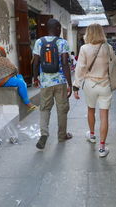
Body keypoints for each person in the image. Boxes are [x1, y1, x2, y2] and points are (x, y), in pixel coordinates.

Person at [73, 23, 116, 158]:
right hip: (105, 84)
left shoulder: (84, 48)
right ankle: (102, 148)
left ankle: (92, 135)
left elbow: (80, 68)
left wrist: (76, 86)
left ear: (88, 33)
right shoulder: (108, 47)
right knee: (104, 116)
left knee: (90, 109)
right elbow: (115, 65)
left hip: (90, 85)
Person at [33, 19, 73, 149]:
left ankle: (44, 134)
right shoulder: (62, 42)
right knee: (62, 109)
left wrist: (35, 78)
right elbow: (65, 63)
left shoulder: (39, 42)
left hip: (45, 82)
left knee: (45, 108)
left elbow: (35, 62)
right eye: (60, 27)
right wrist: (70, 84)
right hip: (60, 82)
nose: (60, 29)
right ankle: (62, 135)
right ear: (56, 28)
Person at [0, 46, 37, 111]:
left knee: (19, 77)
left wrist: (11, 74)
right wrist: (12, 74)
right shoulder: (4, 59)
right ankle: (28, 103)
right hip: (3, 81)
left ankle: (24, 93)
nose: (5, 52)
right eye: (3, 51)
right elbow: (14, 69)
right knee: (21, 83)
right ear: (1, 52)